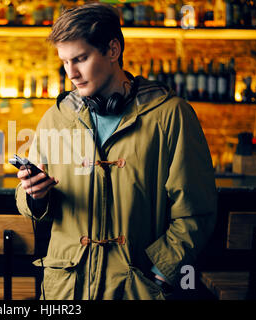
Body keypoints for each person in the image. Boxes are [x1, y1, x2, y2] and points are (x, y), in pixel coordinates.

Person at [15, 2, 217, 300]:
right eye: (65, 62)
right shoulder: (56, 117)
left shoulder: (171, 115)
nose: (71, 73)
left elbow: (195, 212)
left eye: (80, 58)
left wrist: (160, 273)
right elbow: (29, 203)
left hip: (137, 288)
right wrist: (34, 194)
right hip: (67, 292)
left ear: (112, 50)